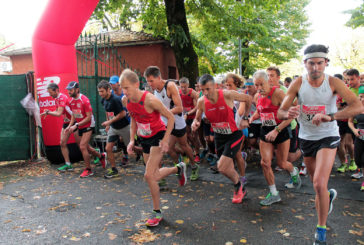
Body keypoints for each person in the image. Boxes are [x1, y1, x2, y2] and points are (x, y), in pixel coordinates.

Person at [277, 44, 363, 245]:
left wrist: (330, 116)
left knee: (318, 182)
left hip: (328, 136)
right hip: (307, 137)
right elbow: (281, 111)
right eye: (311, 63)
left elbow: (357, 106)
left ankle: (320, 230)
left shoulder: (333, 82)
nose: (315, 67)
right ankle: (328, 197)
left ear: (325, 63)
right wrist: (287, 113)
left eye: (319, 63)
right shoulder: (298, 83)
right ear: (305, 64)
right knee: (319, 189)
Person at [120, 69, 187, 227]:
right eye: (122, 88)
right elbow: (134, 120)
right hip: (144, 139)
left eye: (127, 87)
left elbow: (170, 118)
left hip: (158, 136)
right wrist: (131, 140)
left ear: (136, 85)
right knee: (154, 174)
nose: (124, 91)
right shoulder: (125, 100)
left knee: (149, 176)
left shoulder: (150, 100)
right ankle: (178, 169)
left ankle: (157, 212)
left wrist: (165, 140)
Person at [192, 74, 252, 204]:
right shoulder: (201, 101)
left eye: (208, 89)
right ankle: (240, 186)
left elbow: (248, 98)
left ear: (214, 86)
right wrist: (195, 123)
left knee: (222, 167)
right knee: (226, 168)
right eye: (202, 89)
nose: (205, 93)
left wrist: (245, 118)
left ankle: (238, 186)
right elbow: (197, 118)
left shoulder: (227, 94)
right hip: (219, 136)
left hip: (234, 134)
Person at [249, 70, 301, 206]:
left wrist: (276, 130)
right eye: (256, 85)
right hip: (266, 130)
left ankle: (294, 171)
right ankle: (274, 193)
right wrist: (253, 117)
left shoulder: (278, 93)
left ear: (269, 81)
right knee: (264, 163)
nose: (259, 88)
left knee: (282, 164)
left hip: (281, 129)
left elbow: (291, 115)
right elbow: (259, 110)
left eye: (262, 85)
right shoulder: (256, 96)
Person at [144, 66, 200, 181]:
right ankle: (179, 166)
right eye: (147, 81)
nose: (149, 84)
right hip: (164, 123)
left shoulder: (170, 86)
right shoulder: (152, 90)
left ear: (159, 78)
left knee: (184, 145)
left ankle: (194, 166)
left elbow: (180, 108)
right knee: (168, 148)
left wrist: (165, 112)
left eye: (151, 81)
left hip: (177, 122)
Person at [65, 81, 106, 178]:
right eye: (68, 90)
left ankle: (88, 170)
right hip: (80, 125)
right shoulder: (71, 101)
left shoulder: (84, 100)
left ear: (77, 89)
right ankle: (101, 156)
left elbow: (88, 117)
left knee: (82, 146)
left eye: (71, 90)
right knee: (86, 147)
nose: (69, 92)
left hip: (89, 124)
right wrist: (69, 125)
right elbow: (74, 115)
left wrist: (76, 125)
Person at [266, 66, 302, 172]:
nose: (269, 78)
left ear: (278, 77)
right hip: (273, 125)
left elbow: (296, 104)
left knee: (290, 158)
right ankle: (282, 162)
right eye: (267, 75)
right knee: (279, 156)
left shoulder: (285, 91)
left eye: (272, 75)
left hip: (289, 126)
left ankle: (303, 151)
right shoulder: (265, 90)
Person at [40, 83, 79, 171]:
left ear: (56, 90)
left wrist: (47, 112)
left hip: (74, 121)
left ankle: (98, 154)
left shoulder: (62, 98)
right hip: (66, 123)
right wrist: (48, 111)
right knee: (62, 143)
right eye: (49, 93)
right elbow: (57, 111)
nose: (50, 95)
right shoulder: (56, 98)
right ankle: (68, 165)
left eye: (51, 93)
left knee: (81, 145)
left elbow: (58, 114)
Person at [97, 80, 130, 178]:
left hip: (124, 127)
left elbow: (123, 114)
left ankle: (142, 153)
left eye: (102, 91)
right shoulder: (103, 100)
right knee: (108, 148)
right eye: (99, 91)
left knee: (131, 149)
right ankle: (114, 169)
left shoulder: (115, 99)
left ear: (108, 90)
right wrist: (108, 124)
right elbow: (108, 112)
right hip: (113, 128)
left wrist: (109, 122)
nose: (100, 94)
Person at [225, 73, 248, 185]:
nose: (227, 87)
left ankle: (242, 177)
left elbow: (241, 110)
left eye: (230, 85)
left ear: (236, 84)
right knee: (231, 153)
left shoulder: (240, 94)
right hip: (227, 128)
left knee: (237, 153)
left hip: (238, 127)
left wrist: (234, 118)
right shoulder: (224, 95)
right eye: (226, 85)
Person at [334, 73, 356, 173]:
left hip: (349, 119)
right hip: (338, 120)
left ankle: (352, 160)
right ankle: (343, 163)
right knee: (339, 143)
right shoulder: (332, 92)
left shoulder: (348, 89)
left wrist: (343, 105)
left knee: (348, 142)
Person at [179, 77, 201, 163]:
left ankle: (197, 154)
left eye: (185, 87)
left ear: (188, 85)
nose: (183, 89)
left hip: (193, 117)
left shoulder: (193, 93)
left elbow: (197, 106)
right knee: (187, 135)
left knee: (194, 135)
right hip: (184, 116)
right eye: (182, 87)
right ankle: (189, 152)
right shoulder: (178, 92)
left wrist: (188, 113)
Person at [109, 75, 130, 166]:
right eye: (110, 83)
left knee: (124, 141)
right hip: (115, 120)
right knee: (117, 141)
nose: (111, 85)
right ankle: (125, 155)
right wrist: (108, 123)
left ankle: (131, 153)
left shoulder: (125, 93)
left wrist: (130, 111)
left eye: (112, 83)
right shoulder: (110, 94)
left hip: (126, 120)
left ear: (118, 83)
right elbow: (108, 109)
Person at [348, 86, 364, 190]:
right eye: (360, 96)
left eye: (363, 97)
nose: (362, 99)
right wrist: (354, 130)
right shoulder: (356, 108)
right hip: (359, 137)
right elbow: (350, 121)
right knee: (358, 159)